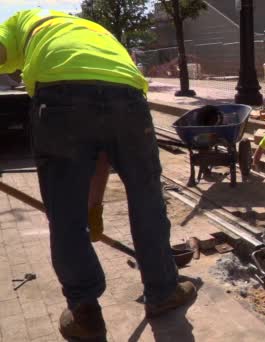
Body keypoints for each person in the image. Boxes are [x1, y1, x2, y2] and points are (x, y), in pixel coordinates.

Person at [0, 9, 195, 340]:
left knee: (65, 215)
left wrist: (84, 213)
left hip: (61, 96)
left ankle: (86, 315)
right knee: (148, 200)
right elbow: (101, 151)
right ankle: (163, 291)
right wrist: (95, 208)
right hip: (127, 93)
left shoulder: (19, 21)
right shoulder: (94, 32)